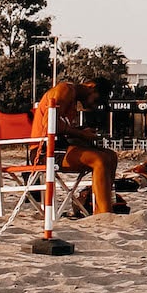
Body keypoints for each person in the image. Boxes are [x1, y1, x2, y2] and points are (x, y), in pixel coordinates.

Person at [31, 81, 127, 214]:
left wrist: (83, 134)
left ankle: (103, 207)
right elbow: (49, 125)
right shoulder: (65, 90)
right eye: (97, 100)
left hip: (58, 146)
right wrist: (81, 133)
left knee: (111, 156)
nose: (94, 105)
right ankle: (105, 212)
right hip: (43, 151)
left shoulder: (73, 101)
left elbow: (62, 129)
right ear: (91, 86)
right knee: (99, 160)